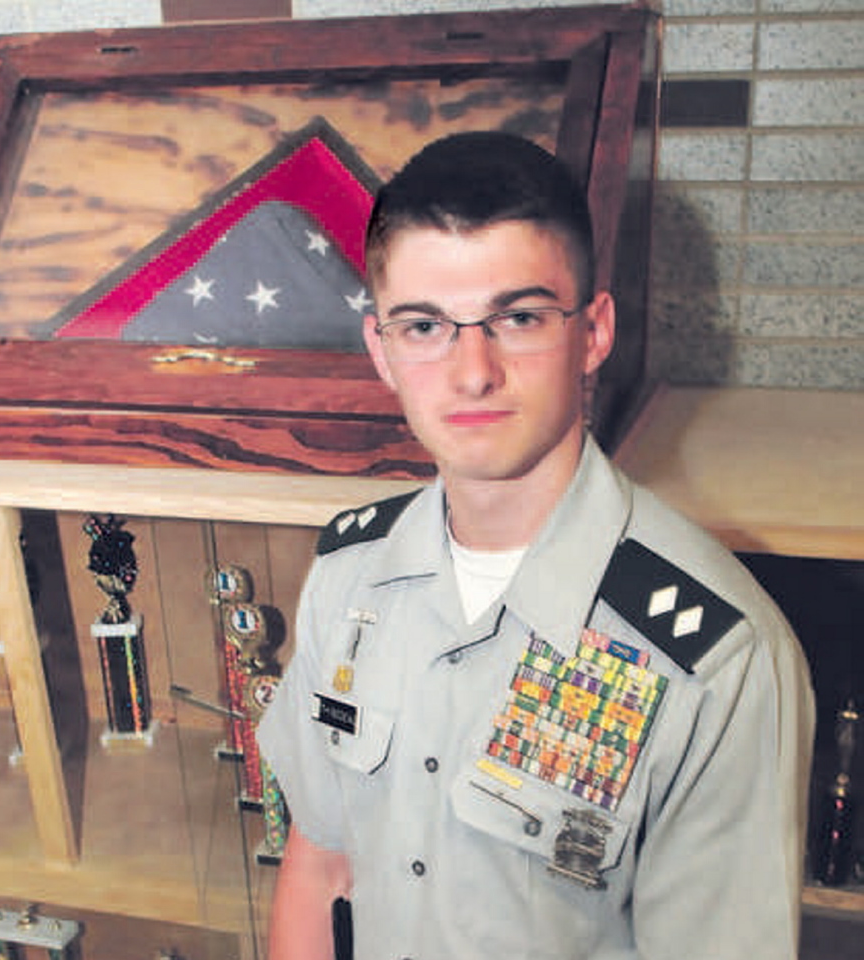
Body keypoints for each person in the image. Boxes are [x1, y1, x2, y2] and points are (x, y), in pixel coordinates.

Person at [256, 131, 815, 960]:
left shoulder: (718, 664)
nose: (472, 370)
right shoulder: (349, 577)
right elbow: (322, 861)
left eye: (517, 317)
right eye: (424, 326)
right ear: (381, 351)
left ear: (591, 333)